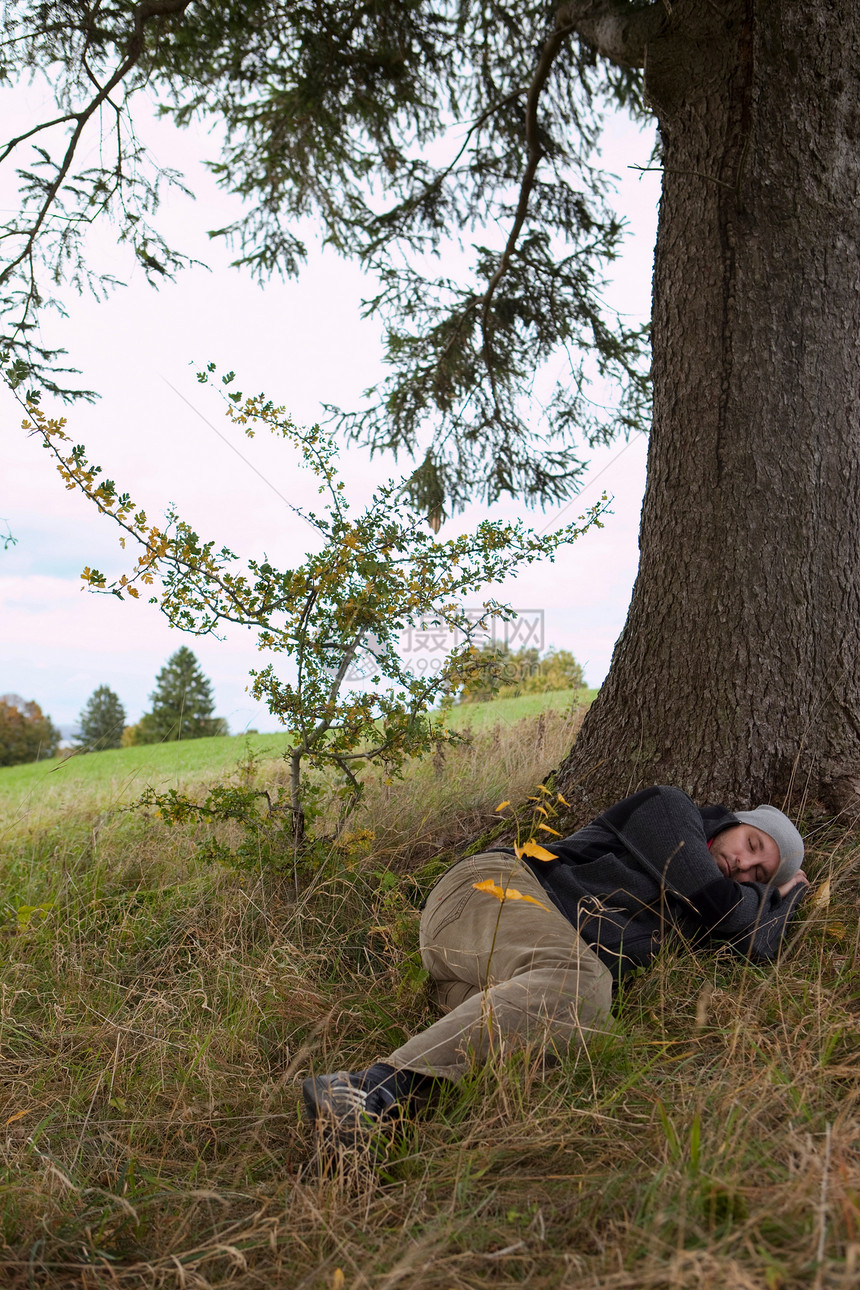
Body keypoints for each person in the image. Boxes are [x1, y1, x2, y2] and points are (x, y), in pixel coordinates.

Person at [302, 785, 809, 1146]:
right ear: (738, 823)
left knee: (593, 1038)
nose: (743, 864)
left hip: (493, 966)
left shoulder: (698, 908)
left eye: (758, 874)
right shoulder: (670, 810)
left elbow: (755, 948)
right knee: (585, 986)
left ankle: (373, 1127)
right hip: (489, 890)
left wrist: (784, 900)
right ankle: (366, 1089)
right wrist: (778, 895)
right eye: (752, 845)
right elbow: (723, 906)